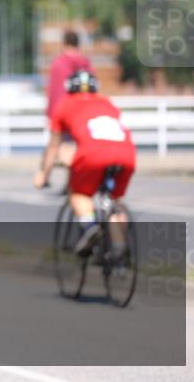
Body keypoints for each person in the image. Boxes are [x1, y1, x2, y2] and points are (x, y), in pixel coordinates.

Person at [34, 70, 136, 258]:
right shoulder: (108, 103)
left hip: (92, 155)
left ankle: (90, 227)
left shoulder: (64, 106)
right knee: (113, 201)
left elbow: (53, 147)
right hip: (127, 154)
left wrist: (43, 174)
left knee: (79, 193)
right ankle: (120, 250)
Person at [47, 30, 93, 165]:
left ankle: (45, 176)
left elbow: (55, 92)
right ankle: (74, 180)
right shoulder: (85, 64)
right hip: (83, 111)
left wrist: (50, 114)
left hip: (63, 111)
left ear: (65, 43)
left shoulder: (59, 63)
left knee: (57, 146)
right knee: (79, 146)